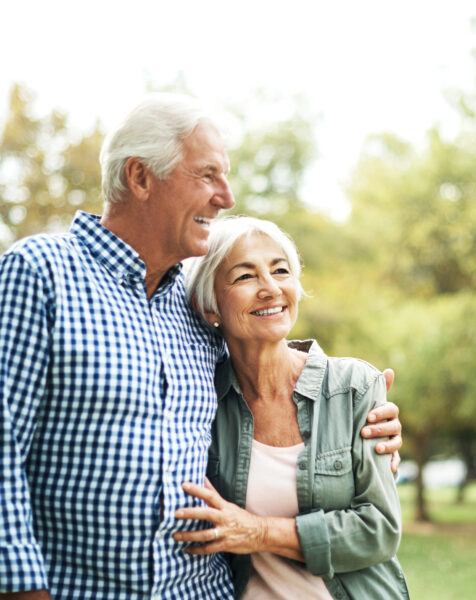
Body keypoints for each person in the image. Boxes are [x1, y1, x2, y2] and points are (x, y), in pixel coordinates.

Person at [0, 94, 402, 599]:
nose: (227, 196)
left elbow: (271, 376)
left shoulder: (190, 312)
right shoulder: (41, 272)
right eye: (208, 174)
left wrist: (361, 415)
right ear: (140, 177)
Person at [177, 216, 410, 599]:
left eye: (280, 270)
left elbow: (379, 531)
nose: (270, 288)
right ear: (209, 306)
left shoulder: (353, 387)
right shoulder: (201, 399)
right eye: (244, 276)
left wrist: (256, 531)